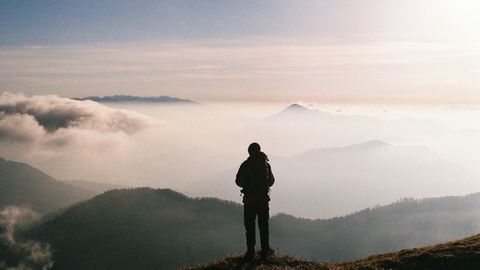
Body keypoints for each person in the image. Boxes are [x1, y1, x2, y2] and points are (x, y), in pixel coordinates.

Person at [235, 142, 275, 260]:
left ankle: (250, 252)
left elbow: (239, 182)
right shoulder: (266, 164)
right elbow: (271, 181)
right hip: (263, 200)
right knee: (264, 227)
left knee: (250, 227)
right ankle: (265, 253)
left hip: (249, 201)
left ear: (249, 151)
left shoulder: (246, 165)